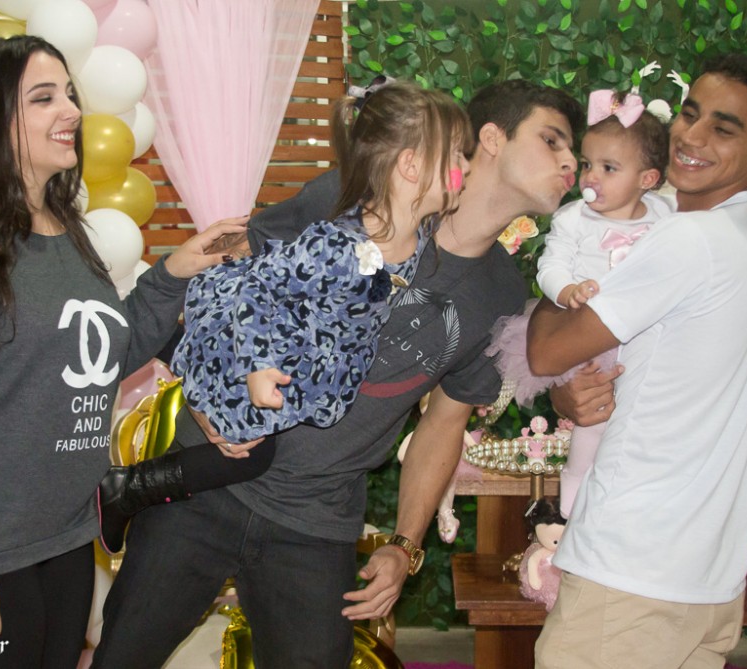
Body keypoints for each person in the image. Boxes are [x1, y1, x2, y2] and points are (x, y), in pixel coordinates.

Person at [93, 79, 588, 668]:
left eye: (574, 151)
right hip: (204, 484)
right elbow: (231, 278)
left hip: (317, 525)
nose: (570, 162)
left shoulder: (501, 293)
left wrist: (405, 545)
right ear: (490, 139)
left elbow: (444, 422)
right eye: (552, 140)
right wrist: (205, 394)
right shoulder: (350, 197)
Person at [0, 35, 244, 668]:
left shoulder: (66, 231)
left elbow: (102, 360)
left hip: (59, 539)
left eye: (69, 93)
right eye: (43, 98)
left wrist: (173, 273)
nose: (71, 110)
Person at [96, 82, 473, 554]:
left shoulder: (418, 234)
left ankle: (173, 355)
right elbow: (257, 291)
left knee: (250, 444)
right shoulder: (338, 244)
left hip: (302, 358)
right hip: (260, 340)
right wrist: (257, 367)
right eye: (456, 156)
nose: (467, 167)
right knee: (248, 454)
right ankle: (126, 487)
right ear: (411, 165)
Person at [528, 53, 747, 668]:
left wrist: (557, 280)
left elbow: (545, 352)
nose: (692, 137)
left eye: (723, 129)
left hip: (632, 572)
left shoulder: (688, 239)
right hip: (705, 577)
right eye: (690, 114)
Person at [487, 89, 672, 517]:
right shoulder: (573, 218)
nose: (591, 177)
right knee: (594, 416)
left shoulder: (665, 216)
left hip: (648, 336)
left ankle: (639, 494)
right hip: (591, 333)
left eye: (609, 168)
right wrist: (565, 290)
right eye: (588, 164)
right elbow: (550, 265)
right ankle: (574, 486)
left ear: (647, 179)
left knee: (643, 417)